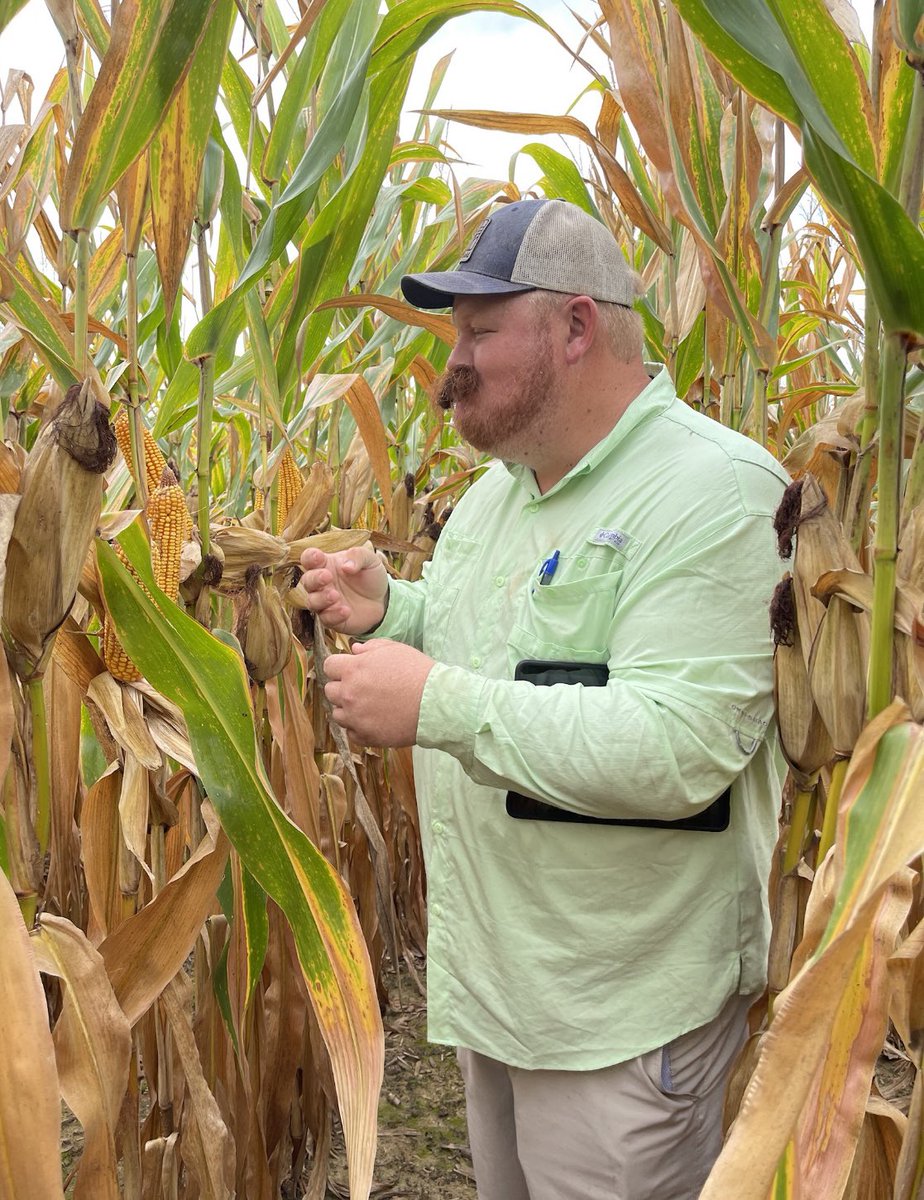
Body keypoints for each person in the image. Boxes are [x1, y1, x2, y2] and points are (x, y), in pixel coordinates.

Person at [299, 198, 788, 1200]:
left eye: (481, 331)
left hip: (622, 1022)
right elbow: (505, 646)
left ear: (575, 326)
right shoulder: (499, 494)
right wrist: (396, 611)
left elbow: (680, 745)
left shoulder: (714, 493)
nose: (452, 367)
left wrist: (436, 703)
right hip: (498, 996)